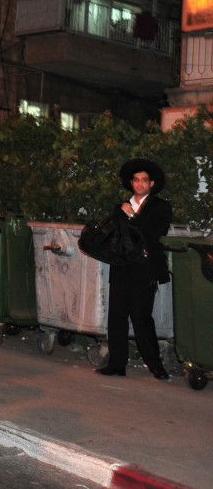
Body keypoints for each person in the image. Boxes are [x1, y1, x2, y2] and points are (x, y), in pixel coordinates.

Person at [96, 158, 173, 380]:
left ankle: (155, 365)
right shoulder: (119, 207)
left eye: (144, 180)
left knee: (141, 318)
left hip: (146, 269)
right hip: (121, 267)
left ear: (152, 184)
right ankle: (117, 364)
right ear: (131, 183)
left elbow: (152, 234)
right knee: (117, 317)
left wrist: (132, 216)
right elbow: (115, 236)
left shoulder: (161, 207)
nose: (139, 184)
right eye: (136, 180)